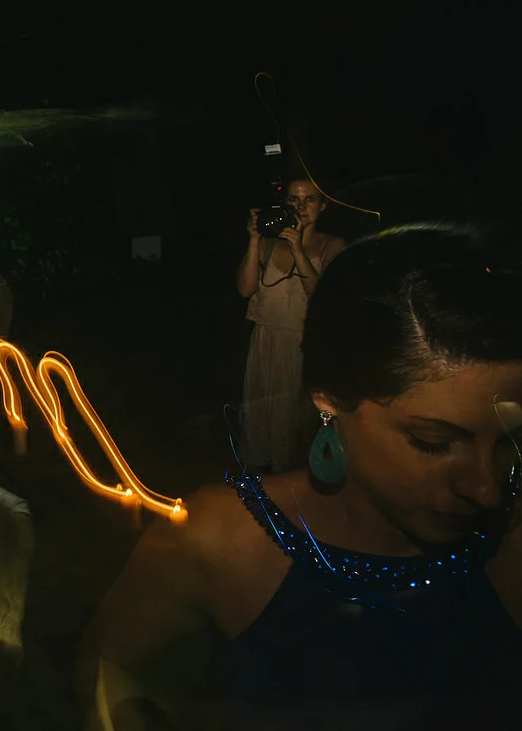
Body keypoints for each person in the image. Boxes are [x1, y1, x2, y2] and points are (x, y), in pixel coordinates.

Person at [84, 225, 522, 731]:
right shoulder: (220, 540)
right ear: (329, 401)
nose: (487, 488)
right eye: (433, 442)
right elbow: (110, 664)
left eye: (510, 441)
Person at [235, 178, 346, 472]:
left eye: (310, 199)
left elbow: (321, 295)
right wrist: (254, 239)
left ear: (323, 206)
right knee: (261, 420)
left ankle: (297, 484)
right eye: (293, 200)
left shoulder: (332, 245)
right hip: (265, 342)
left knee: (298, 425)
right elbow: (245, 289)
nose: (301, 207)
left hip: (304, 346)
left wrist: (298, 248)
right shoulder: (269, 244)